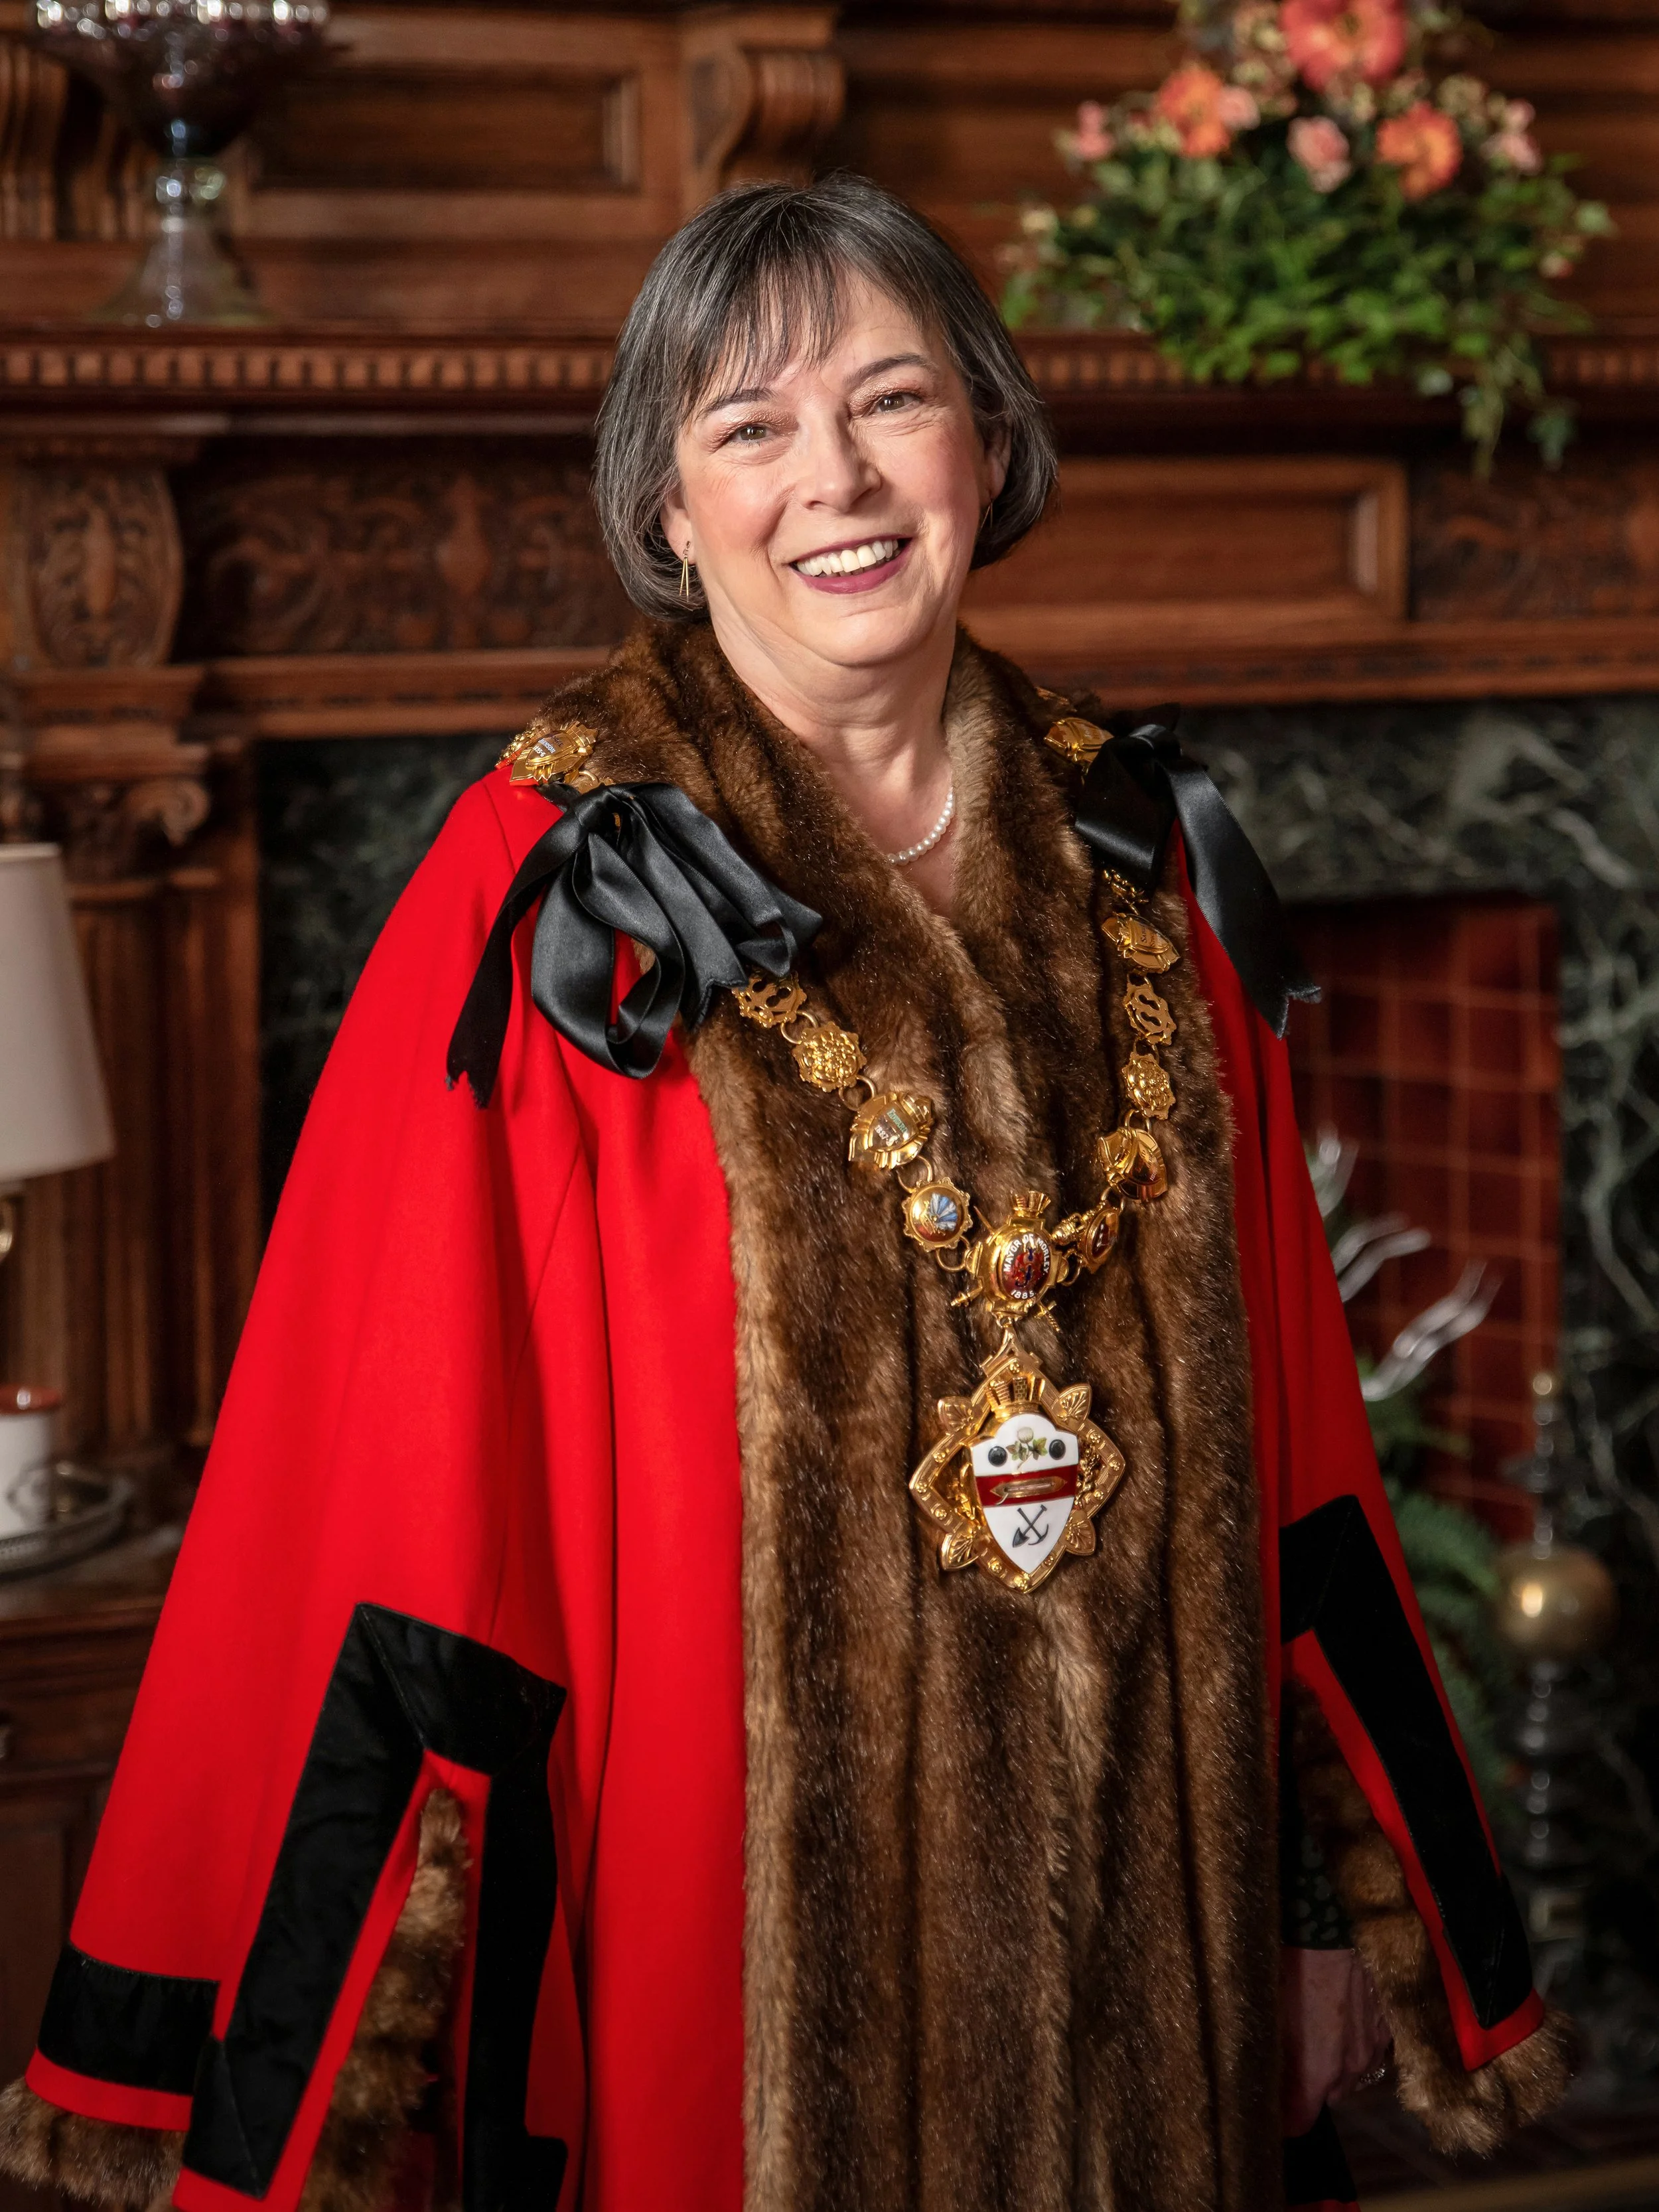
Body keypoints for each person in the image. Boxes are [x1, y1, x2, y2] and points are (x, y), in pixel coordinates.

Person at [0, 175, 1567, 2212]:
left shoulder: (1149, 853)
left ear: (986, 446)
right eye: (747, 427)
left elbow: (1293, 1440)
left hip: (1147, 1939)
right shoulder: (552, 894)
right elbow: (381, 1463)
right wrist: (377, 1994)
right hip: (719, 1958)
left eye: (891, 400)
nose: (829, 477)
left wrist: (1315, 1895)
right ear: (666, 508)